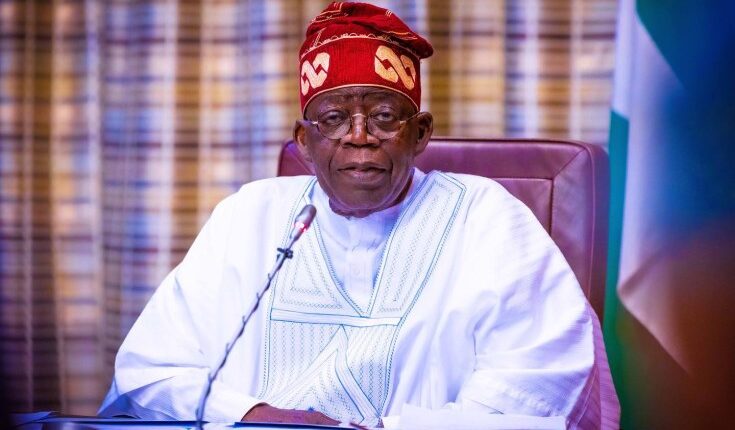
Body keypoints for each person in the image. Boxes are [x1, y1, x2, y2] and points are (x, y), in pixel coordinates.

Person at [99, 2, 619, 429]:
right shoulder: (248, 217)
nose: (359, 136)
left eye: (385, 116)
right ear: (304, 142)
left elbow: (537, 391)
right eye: (333, 118)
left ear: (421, 133)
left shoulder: (487, 218)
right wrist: (260, 417)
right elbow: (152, 372)